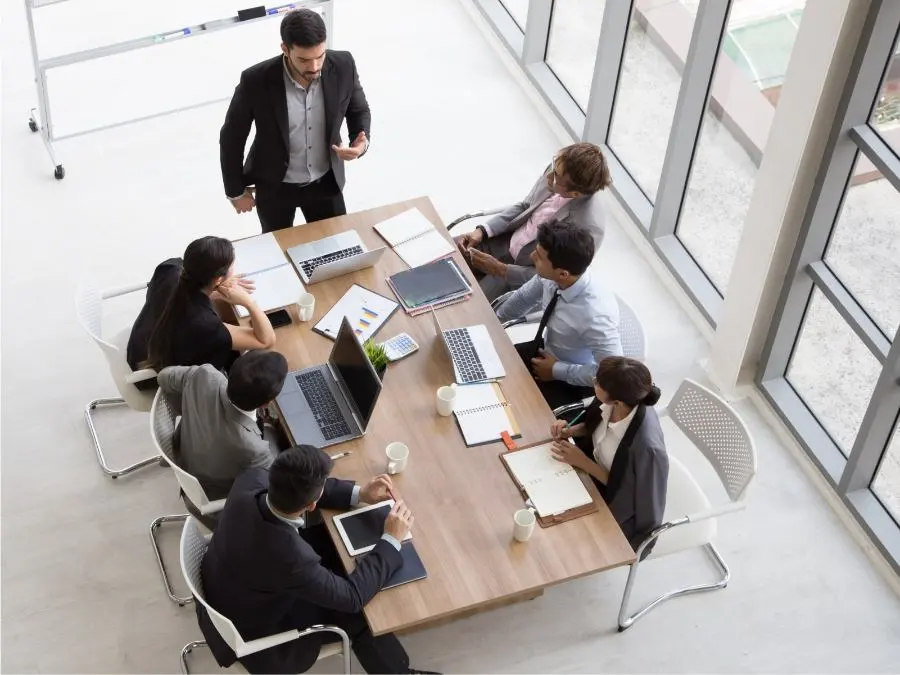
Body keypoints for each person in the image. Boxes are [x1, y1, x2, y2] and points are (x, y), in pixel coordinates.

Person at [199, 447, 436, 674]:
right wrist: (392, 539)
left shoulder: (250, 481)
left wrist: (360, 493)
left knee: (329, 544)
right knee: (360, 613)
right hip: (264, 638)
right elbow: (351, 597)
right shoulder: (291, 558)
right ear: (311, 504)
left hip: (230, 588)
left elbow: (304, 490)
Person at [220, 9, 371, 233]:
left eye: (320, 56)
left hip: (326, 182)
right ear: (285, 49)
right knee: (278, 256)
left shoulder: (343, 64)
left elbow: (358, 109)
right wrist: (236, 191)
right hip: (274, 187)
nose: (314, 67)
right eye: (304, 59)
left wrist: (360, 142)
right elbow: (232, 137)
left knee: (338, 249)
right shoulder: (255, 80)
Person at [454, 142, 610, 302]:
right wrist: (483, 230)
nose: (548, 176)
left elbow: (553, 276)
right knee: (444, 250)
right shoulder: (558, 169)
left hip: (519, 273)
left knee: (466, 305)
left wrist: (501, 270)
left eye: (555, 176)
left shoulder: (587, 229)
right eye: (553, 167)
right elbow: (526, 206)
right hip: (502, 242)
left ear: (575, 193)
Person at [495, 221, 622, 410]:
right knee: (489, 371)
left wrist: (556, 371)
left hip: (572, 380)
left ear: (563, 273)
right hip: (545, 352)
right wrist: (491, 325)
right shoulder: (552, 276)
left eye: (538, 257)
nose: (531, 257)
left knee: (516, 410)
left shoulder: (596, 317)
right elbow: (522, 299)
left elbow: (611, 377)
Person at [549, 357, 668, 555]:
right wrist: (570, 431)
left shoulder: (646, 448)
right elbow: (594, 426)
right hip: (587, 475)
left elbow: (627, 492)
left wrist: (582, 462)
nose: (594, 383)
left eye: (597, 383)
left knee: (555, 535)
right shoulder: (613, 398)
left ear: (618, 401)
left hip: (611, 503)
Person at [157, 350, 289, 527]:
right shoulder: (253, 448)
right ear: (267, 403)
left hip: (187, 459)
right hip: (216, 502)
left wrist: (190, 406)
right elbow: (275, 489)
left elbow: (163, 378)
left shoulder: (204, 375)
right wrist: (269, 428)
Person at [126, 236, 276, 382]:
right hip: (154, 376)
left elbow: (182, 294)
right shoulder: (205, 324)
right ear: (217, 278)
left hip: (139, 350)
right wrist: (248, 302)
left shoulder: (171, 268)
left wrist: (215, 291)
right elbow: (265, 341)